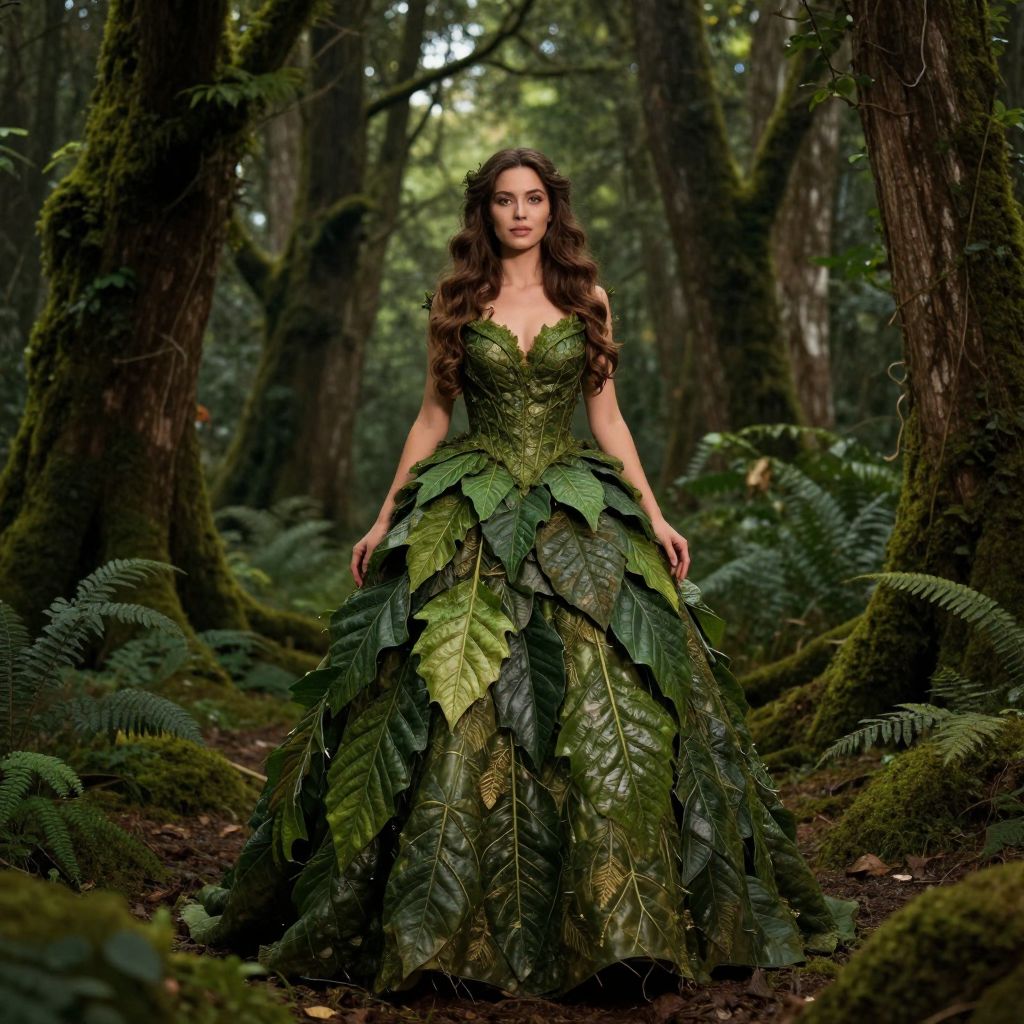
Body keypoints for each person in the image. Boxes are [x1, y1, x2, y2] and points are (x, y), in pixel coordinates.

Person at [183, 147, 851, 996]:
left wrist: (653, 513)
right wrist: (387, 516)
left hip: (581, 509)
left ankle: (628, 922)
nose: (521, 213)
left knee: (623, 690)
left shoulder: (587, 300)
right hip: (473, 498)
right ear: (485, 213)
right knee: (442, 696)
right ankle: (434, 922)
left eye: (534, 199)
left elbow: (607, 420)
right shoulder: (457, 304)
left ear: (552, 208)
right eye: (505, 200)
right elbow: (432, 418)